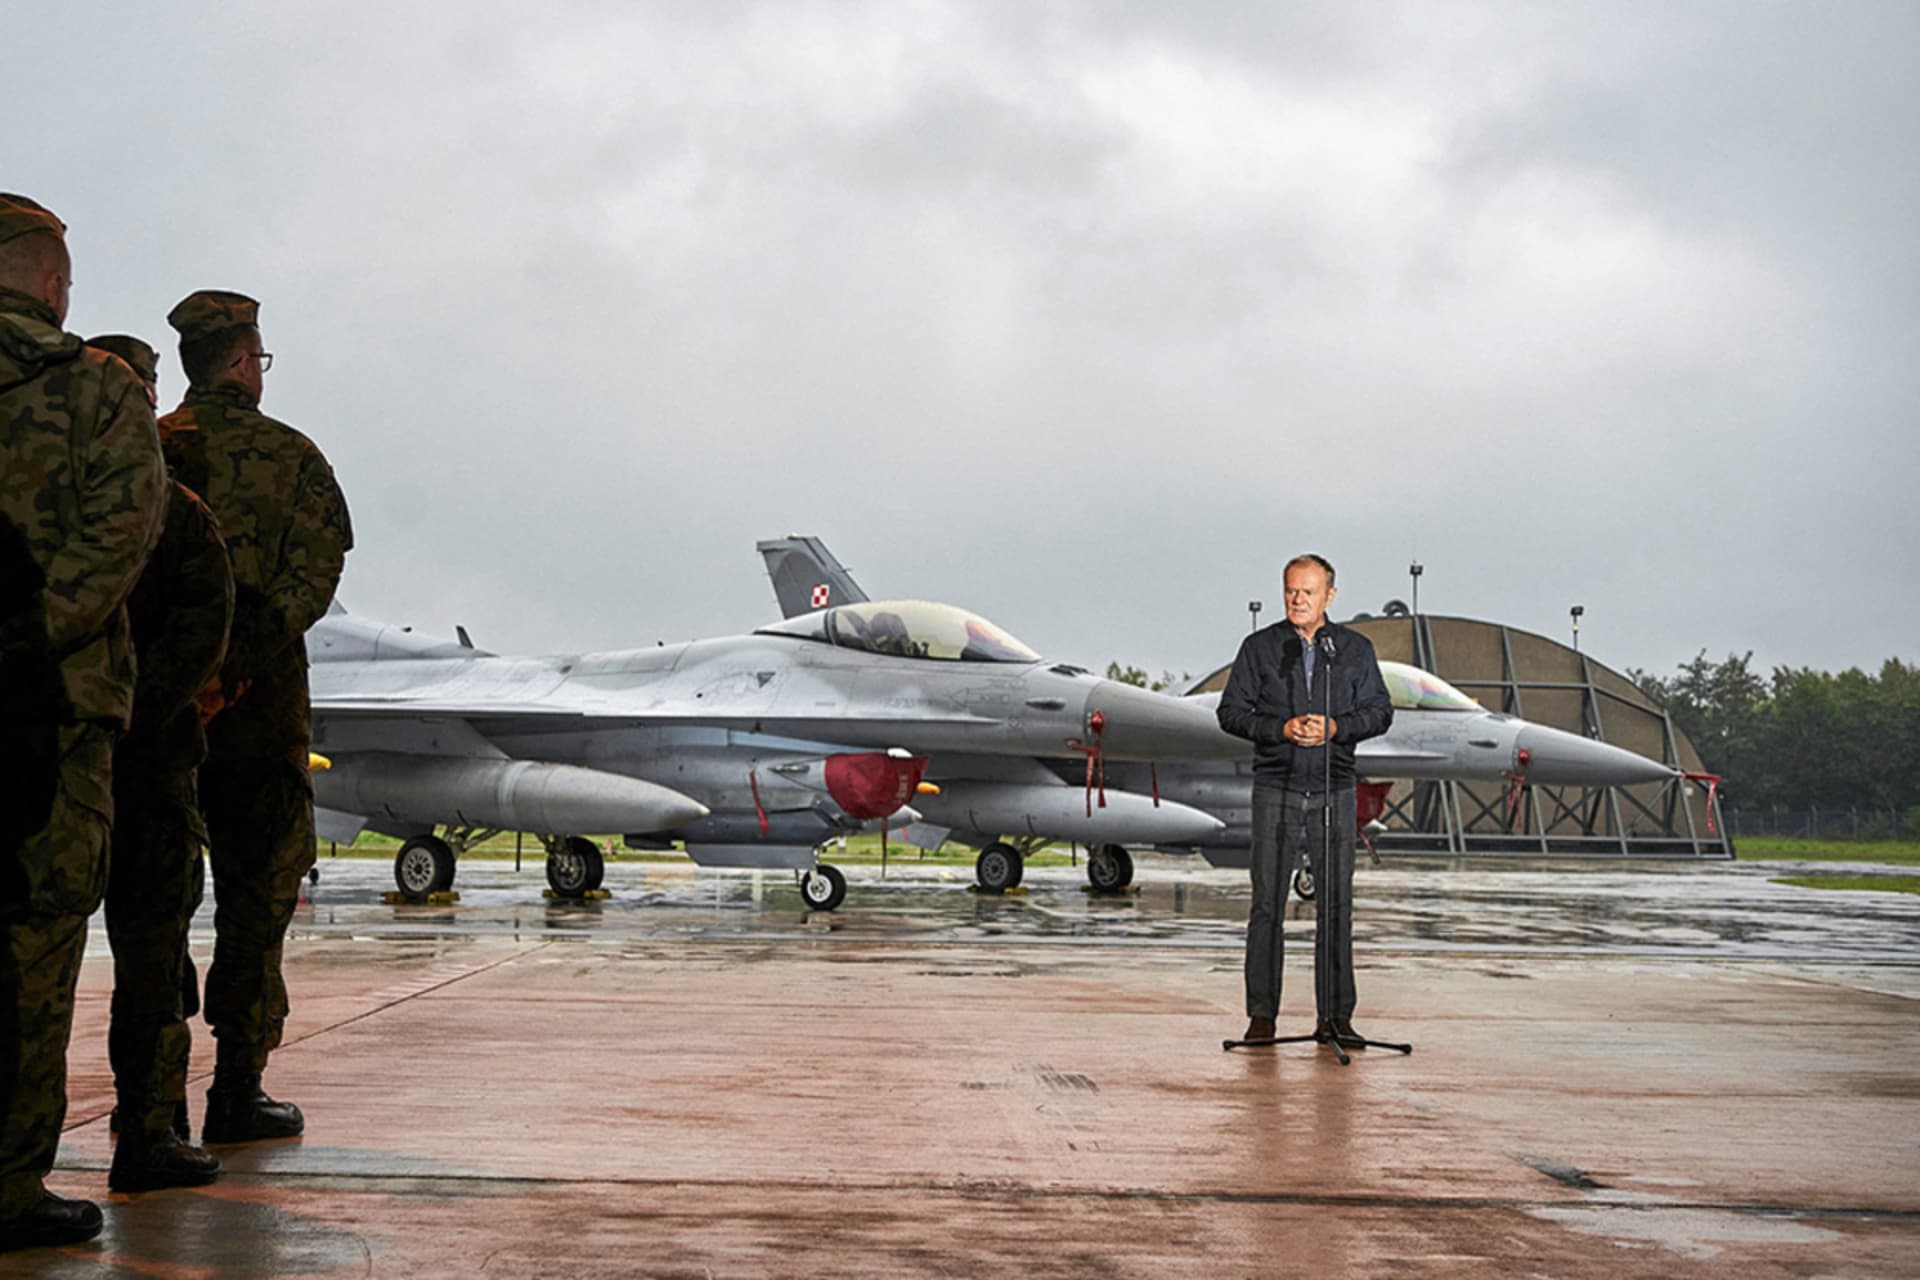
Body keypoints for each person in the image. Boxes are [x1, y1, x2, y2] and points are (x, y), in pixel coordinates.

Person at [0, 194, 168, 1250]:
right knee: (36, 942)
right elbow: (120, 541)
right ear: (55, 284)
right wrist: (26, 641)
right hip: (51, 713)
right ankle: (11, 1184)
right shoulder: (98, 391)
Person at [160, 290, 352, 1143]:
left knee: (153, 905)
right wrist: (242, 661)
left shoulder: (144, 449)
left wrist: (181, 670)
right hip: (260, 720)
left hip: (156, 718)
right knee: (254, 903)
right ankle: (236, 1090)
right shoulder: (292, 458)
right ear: (244, 362)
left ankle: (152, 1110)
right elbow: (317, 573)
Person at [86, 335, 233, 1190]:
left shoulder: (34, 496)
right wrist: (132, 713)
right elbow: (201, 635)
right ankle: (149, 1134)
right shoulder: (175, 512)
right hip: (143, 765)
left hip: (58, 756)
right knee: (152, 955)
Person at [1216, 554, 1393, 1045]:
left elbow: (1380, 712)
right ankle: (1261, 1018)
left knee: (1336, 907)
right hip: (1276, 786)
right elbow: (1230, 713)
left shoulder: (1354, 650)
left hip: (1335, 788)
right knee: (1267, 904)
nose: (1297, 599)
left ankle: (1335, 1018)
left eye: (1308, 592)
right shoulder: (1259, 648)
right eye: (1291, 590)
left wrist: (1337, 727)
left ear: (1329, 596)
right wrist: (1280, 729)